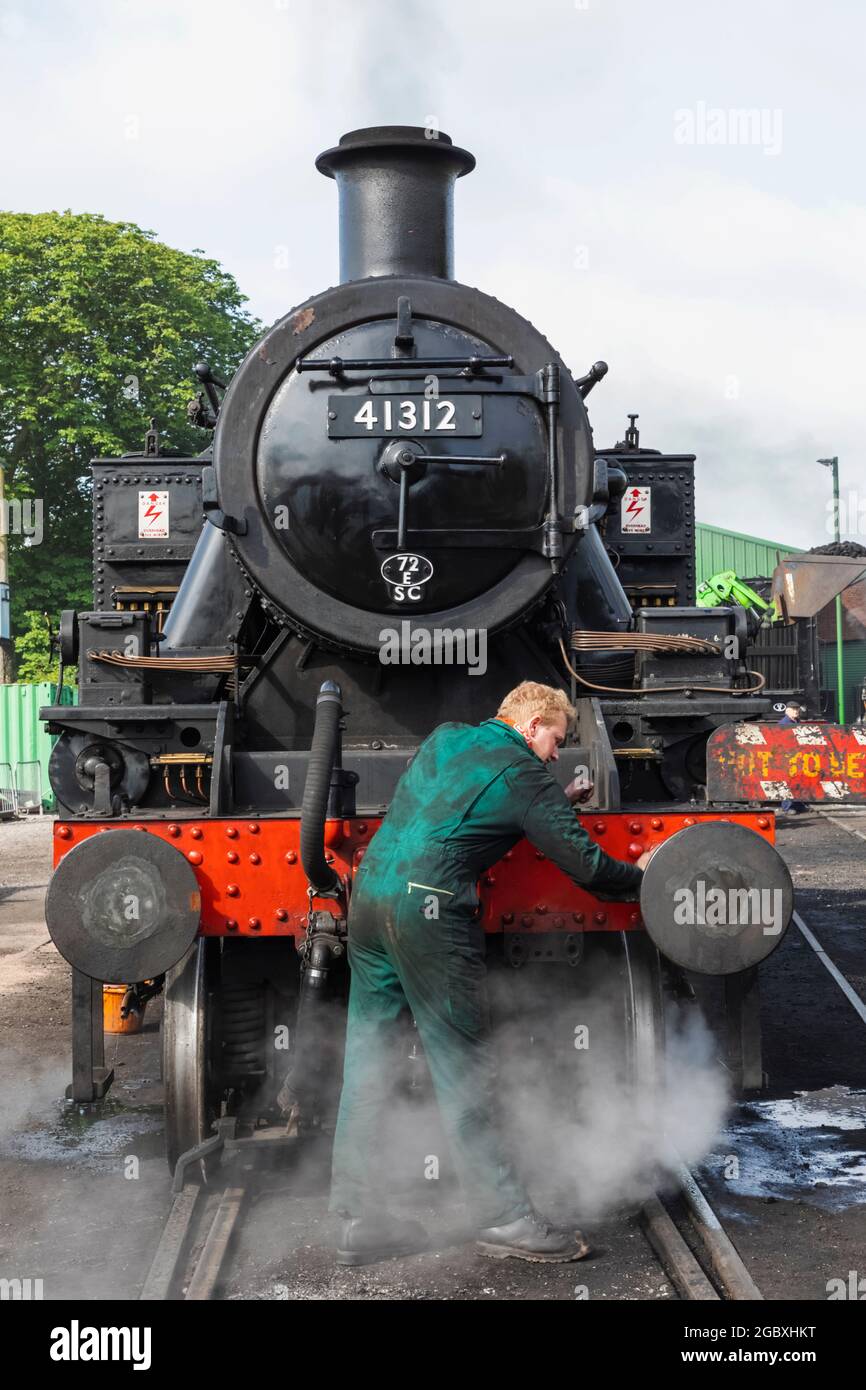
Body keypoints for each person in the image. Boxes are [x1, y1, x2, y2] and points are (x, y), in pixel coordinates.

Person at [329, 681, 652, 1266]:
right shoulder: (525, 774)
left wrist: (555, 801)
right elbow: (587, 867)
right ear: (531, 726)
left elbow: (462, 800)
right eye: (556, 739)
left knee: (368, 1060)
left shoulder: (446, 739)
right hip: (428, 906)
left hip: (371, 896)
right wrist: (642, 875)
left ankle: (358, 1218)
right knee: (463, 1064)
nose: (557, 753)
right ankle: (502, 1214)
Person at [778, 701, 808, 814]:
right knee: (789, 781)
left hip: (797, 755)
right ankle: (787, 807)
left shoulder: (797, 721)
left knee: (799, 780)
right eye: (793, 709)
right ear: (787, 711)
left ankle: (798, 805)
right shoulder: (784, 723)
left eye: (797, 708)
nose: (796, 711)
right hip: (788, 756)